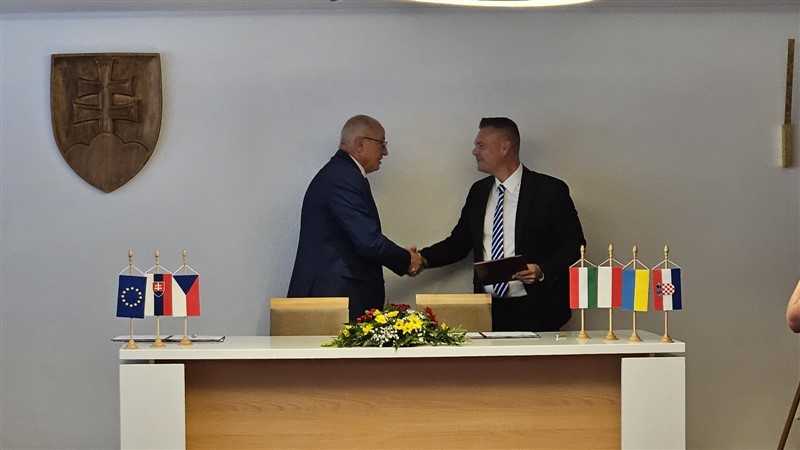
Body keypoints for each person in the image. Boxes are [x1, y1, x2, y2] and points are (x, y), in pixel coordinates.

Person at [419, 117, 585, 332]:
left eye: (481, 145)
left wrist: (541, 270)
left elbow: (575, 244)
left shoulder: (550, 190)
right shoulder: (478, 192)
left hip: (539, 310)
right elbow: (459, 244)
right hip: (487, 311)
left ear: (504, 147)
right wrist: (419, 259)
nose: (474, 152)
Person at [287, 115, 423, 321]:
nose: (385, 152)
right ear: (360, 144)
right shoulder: (344, 177)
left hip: (335, 295)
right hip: (334, 298)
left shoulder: (341, 173)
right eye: (382, 143)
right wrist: (407, 260)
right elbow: (368, 241)